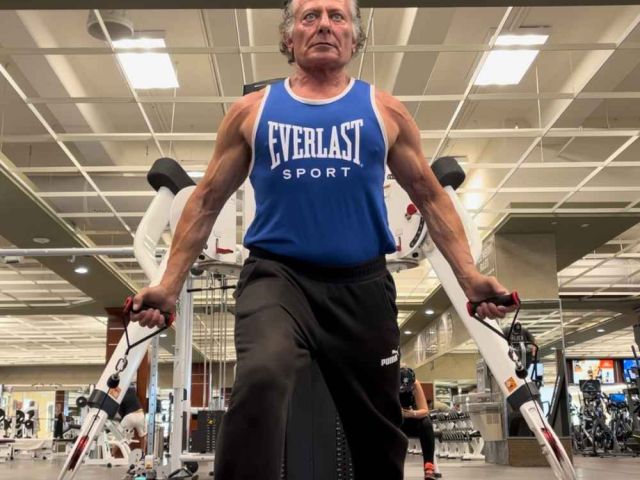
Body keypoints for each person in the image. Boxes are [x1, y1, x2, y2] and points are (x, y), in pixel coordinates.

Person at [130, 1, 515, 478]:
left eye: (338, 16)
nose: (325, 25)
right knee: (263, 377)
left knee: (379, 431)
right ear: (289, 38)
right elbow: (206, 200)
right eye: (310, 16)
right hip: (278, 279)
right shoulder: (253, 112)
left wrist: (471, 276)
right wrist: (168, 285)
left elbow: (432, 200)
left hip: (363, 286)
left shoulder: (385, 109)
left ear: (355, 38)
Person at [400, 366, 437, 479]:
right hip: (393, 421)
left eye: (407, 387)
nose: (405, 390)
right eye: (402, 388)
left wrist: (412, 414)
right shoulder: (388, 383)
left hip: (409, 419)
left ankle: (429, 467)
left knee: (426, 423)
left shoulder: (415, 385)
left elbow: (425, 411)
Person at [117, 384, 147, 453]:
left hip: (130, 416)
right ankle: (143, 454)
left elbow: (122, 413)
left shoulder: (119, 396)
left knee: (118, 435)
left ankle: (113, 455)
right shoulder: (131, 389)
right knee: (143, 436)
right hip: (140, 414)